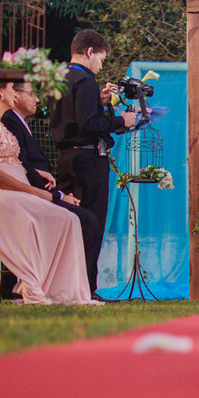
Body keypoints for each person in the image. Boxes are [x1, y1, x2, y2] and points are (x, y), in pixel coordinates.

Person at [0, 78, 95, 305]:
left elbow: (11, 158)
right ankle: (33, 285)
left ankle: (60, 289)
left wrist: (32, 172)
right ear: (0, 90)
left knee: (67, 219)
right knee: (53, 217)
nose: (14, 93)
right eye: (10, 87)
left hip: (12, 187)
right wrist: (36, 192)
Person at [2, 81, 103, 297]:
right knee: (87, 220)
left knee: (83, 218)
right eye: (32, 94)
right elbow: (22, 166)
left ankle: (65, 285)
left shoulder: (19, 122)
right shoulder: (9, 121)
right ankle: (76, 287)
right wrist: (58, 196)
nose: (37, 99)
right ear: (16, 95)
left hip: (38, 192)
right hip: (28, 196)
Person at [48, 29, 137, 249]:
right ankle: (86, 282)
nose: (101, 66)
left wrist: (98, 100)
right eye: (101, 59)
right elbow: (88, 124)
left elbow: (72, 115)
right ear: (90, 52)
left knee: (69, 224)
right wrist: (121, 120)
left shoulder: (60, 78)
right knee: (90, 227)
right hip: (88, 161)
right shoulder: (86, 80)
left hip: (67, 158)